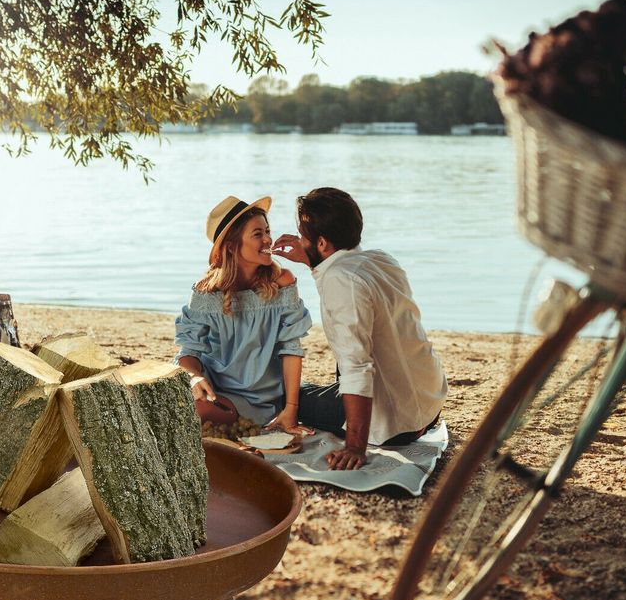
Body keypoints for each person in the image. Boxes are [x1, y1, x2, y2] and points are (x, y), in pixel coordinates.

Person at [273, 187, 448, 470]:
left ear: (322, 244)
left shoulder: (340, 281)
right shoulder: (380, 260)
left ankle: (350, 427)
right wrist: (310, 257)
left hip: (397, 424)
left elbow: (357, 368)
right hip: (428, 405)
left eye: (303, 236)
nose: (298, 240)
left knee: (284, 394)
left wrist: (355, 446)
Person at [175, 195, 314, 435]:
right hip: (213, 390)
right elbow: (188, 352)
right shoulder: (206, 291)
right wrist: (194, 377)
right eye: (257, 234)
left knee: (193, 413)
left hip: (259, 399)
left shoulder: (282, 282)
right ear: (231, 245)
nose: (268, 239)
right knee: (177, 404)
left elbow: (291, 348)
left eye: (267, 231)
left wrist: (291, 408)